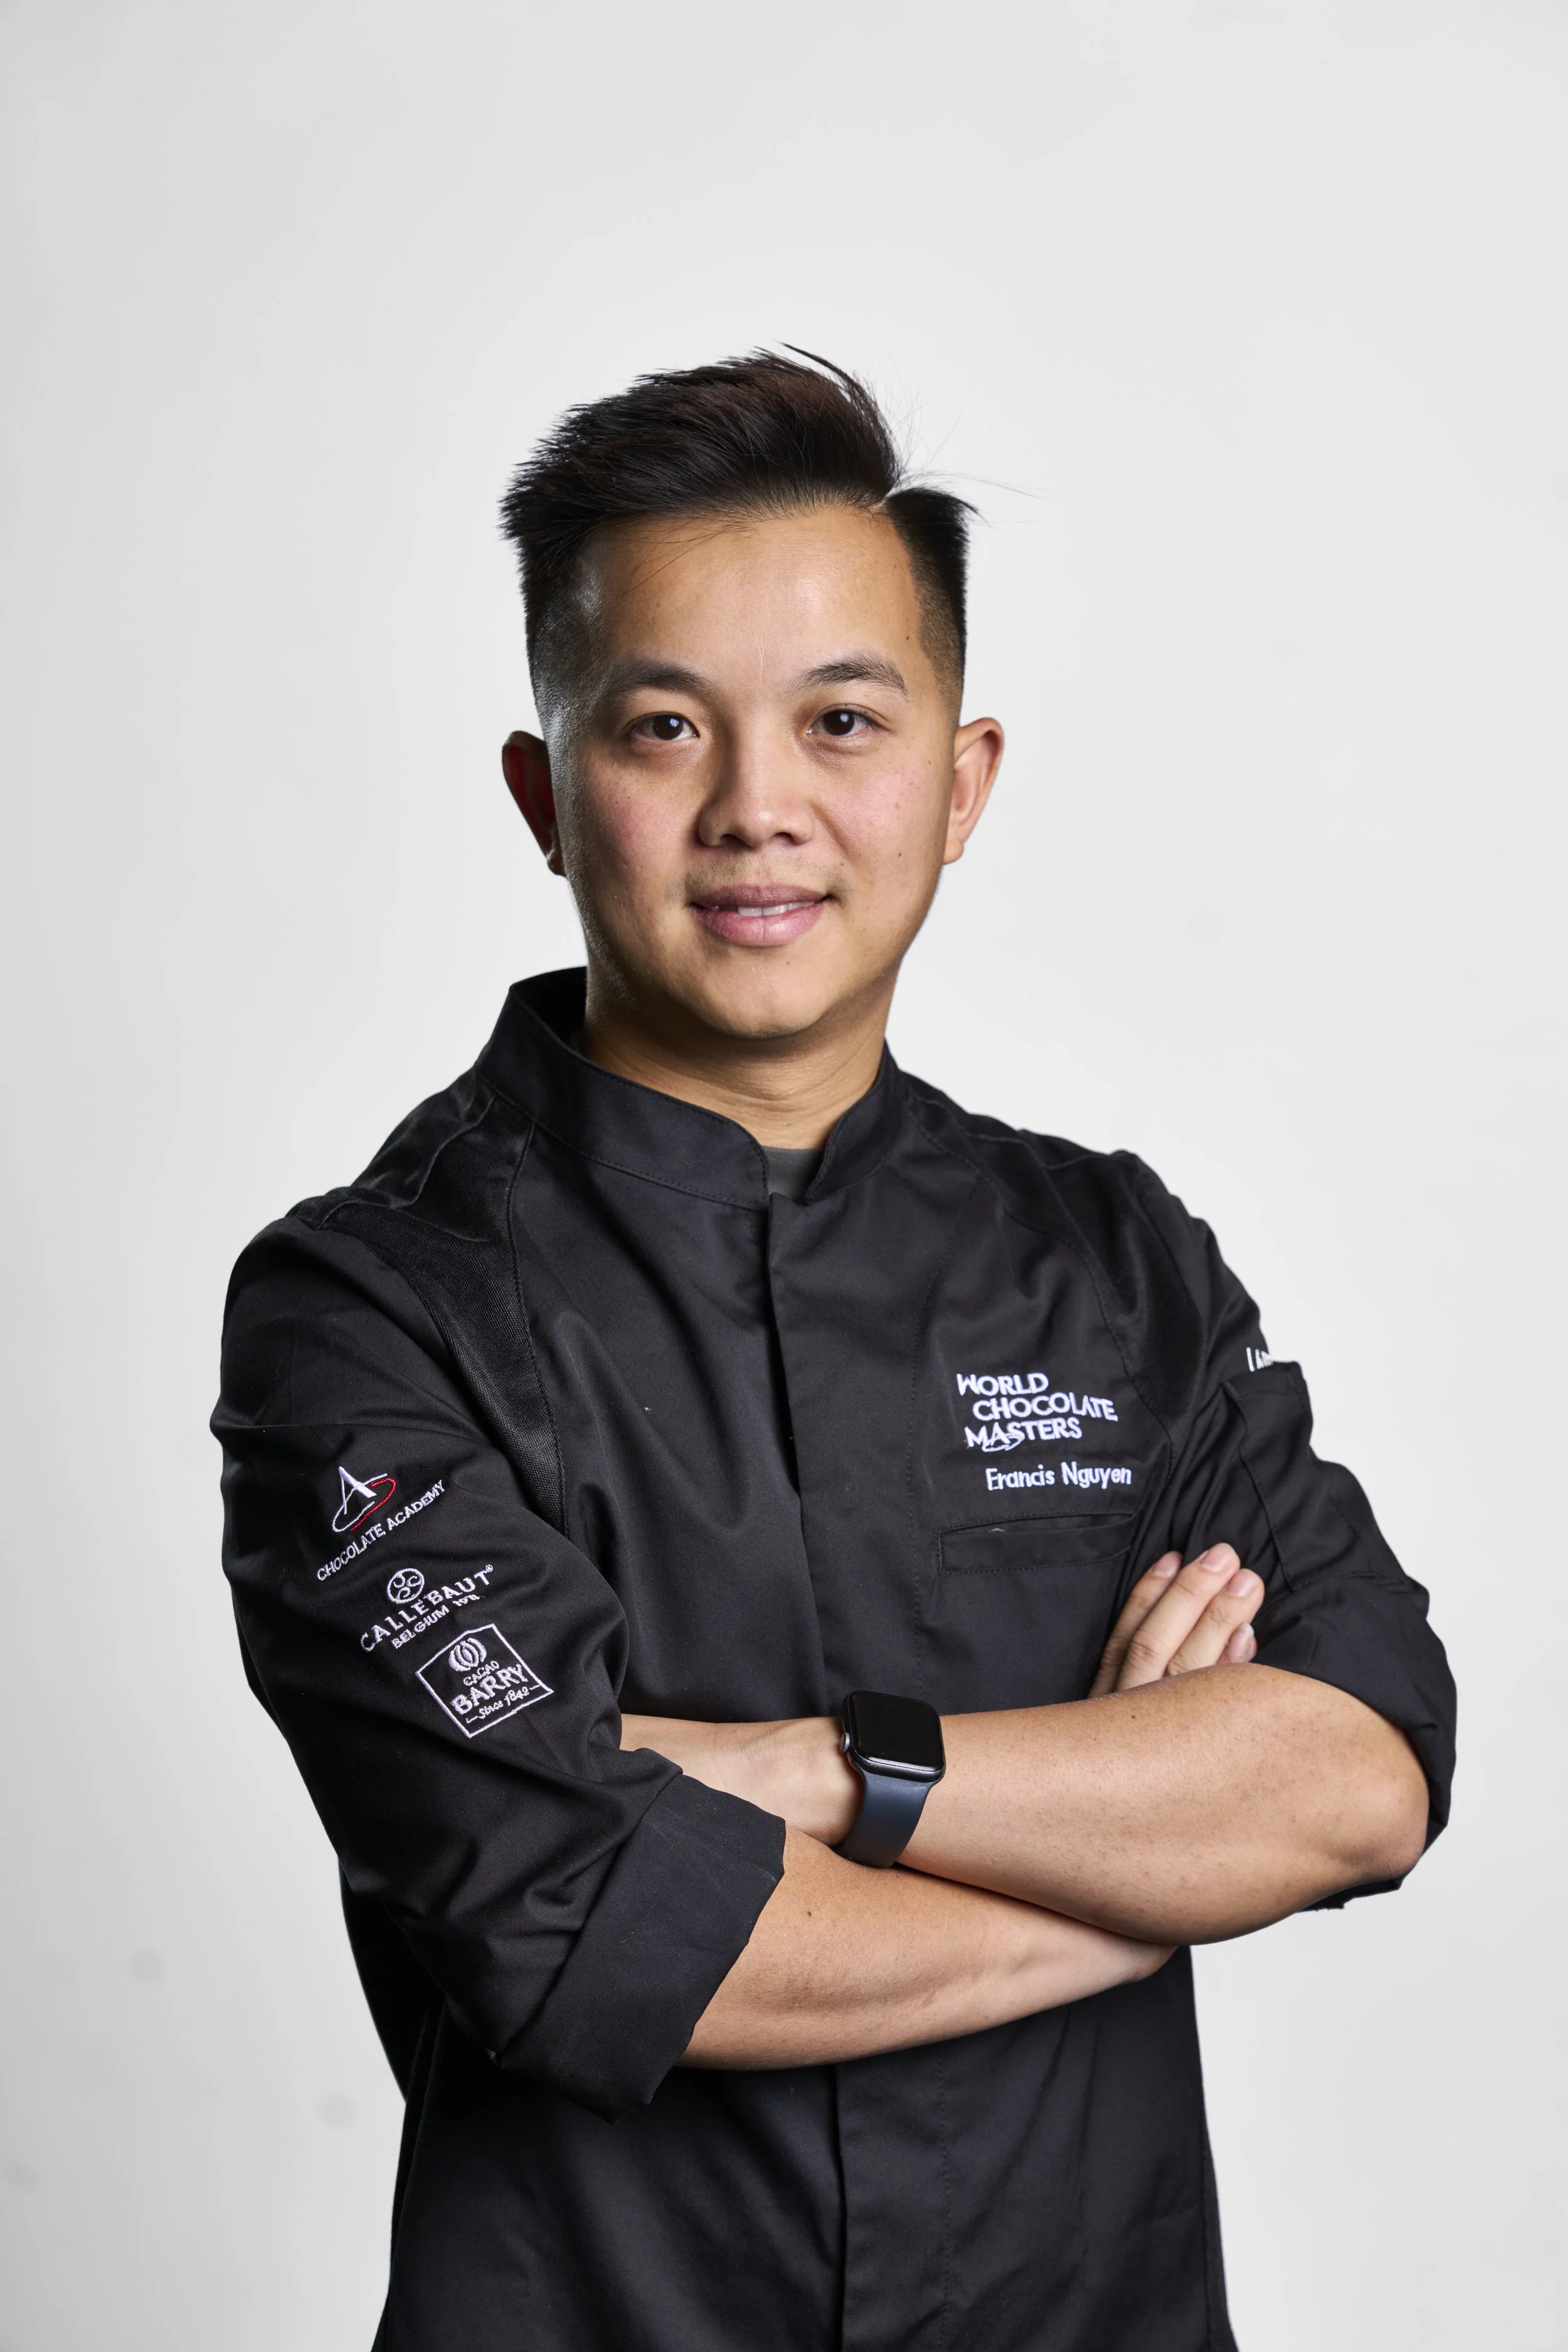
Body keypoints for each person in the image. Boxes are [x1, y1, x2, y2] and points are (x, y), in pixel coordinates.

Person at [213, 352, 1456, 2352]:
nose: (756, 806)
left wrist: (817, 1774)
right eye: (662, 726)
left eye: (841, 719)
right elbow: (605, 1940)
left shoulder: (1111, 1260)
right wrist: (1144, 1855)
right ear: (545, 796)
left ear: (957, 786)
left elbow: (1360, 1770)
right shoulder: (375, 1307)